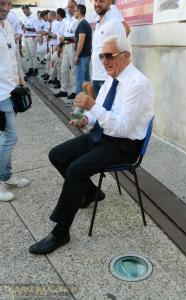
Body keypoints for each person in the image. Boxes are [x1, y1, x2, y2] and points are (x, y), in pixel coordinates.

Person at [29, 34, 154, 255]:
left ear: (126, 56)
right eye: (102, 56)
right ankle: (91, 192)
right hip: (102, 136)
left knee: (76, 170)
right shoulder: (112, 78)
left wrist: (92, 106)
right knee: (57, 155)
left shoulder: (138, 84)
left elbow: (123, 128)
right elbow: (102, 113)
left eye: (109, 56)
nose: (104, 61)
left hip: (123, 146)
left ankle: (61, 232)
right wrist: (86, 119)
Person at [0, 0, 30, 202]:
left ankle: (7, 175)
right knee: (10, 137)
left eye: (9, 4)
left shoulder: (8, 25)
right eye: (2, 3)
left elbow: (12, 56)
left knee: (7, 136)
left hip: (11, 89)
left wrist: (20, 78)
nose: (6, 8)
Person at [91, 0, 126, 98]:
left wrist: (114, 77)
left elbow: (121, 52)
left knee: (107, 112)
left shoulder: (115, 23)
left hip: (108, 78)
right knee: (98, 111)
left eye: (101, 1)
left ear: (109, 2)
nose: (97, 4)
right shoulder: (98, 24)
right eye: (96, 1)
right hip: (96, 76)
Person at [54, 0, 78, 101]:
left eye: (72, 7)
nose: (69, 9)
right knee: (64, 68)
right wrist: (60, 45)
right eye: (68, 7)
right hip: (65, 46)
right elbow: (63, 35)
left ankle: (75, 91)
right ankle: (63, 90)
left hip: (73, 46)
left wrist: (65, 39)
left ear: (76, 8)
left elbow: (77, 37)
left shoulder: (77, 20)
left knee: (73, 69)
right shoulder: (67, 20)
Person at [73, 4, 92, 95]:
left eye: (75, 11)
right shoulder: (84, 23)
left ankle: (79, 106)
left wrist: (76, 55)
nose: (74, 13)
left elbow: (81, 40)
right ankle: (87, 101)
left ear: (79, 12)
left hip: (83, 56)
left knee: (80, 80)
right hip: (85, 55)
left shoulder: (82, 24)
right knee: (86, 79)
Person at [21, 5, 38, 78]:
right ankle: (31, 68)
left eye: (25, 11)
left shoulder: (34, 18)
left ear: (28, 9)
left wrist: (27, 29)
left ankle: (36, 69)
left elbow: (35, 29)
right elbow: (23, 27)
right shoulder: (24, 18)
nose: (24, 13)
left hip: (32, 38)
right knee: (28, 54)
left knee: (33, 54)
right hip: (25, 37)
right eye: (23, 12)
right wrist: (22, 27)